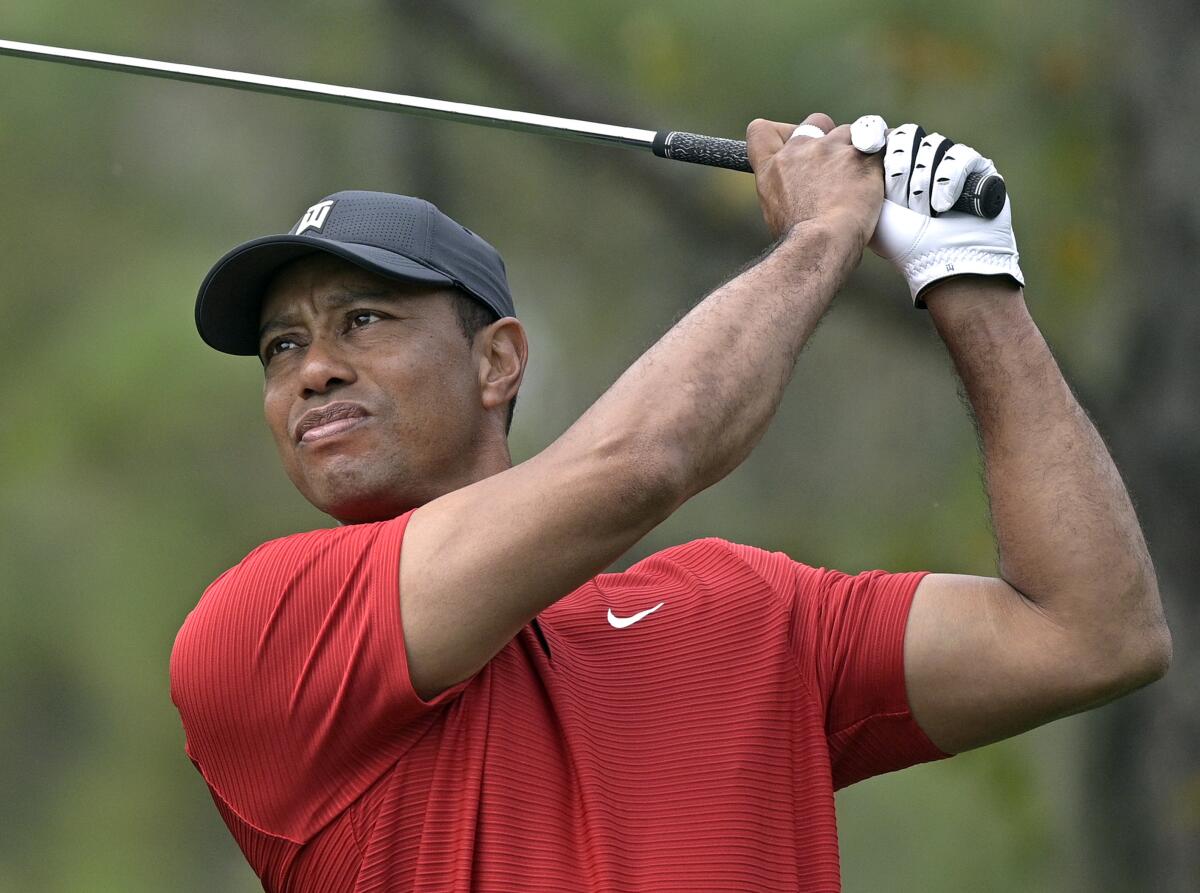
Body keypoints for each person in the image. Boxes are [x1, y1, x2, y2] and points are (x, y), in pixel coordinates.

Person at [170, 114, 1171, 892]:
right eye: (282, 347)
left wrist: (966, 268)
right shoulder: (263, 632)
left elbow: (1092, 630)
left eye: (361, 319)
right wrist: (829, 230)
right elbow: (645, 459)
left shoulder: (749, 610)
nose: (313, 371)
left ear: (498, 359)